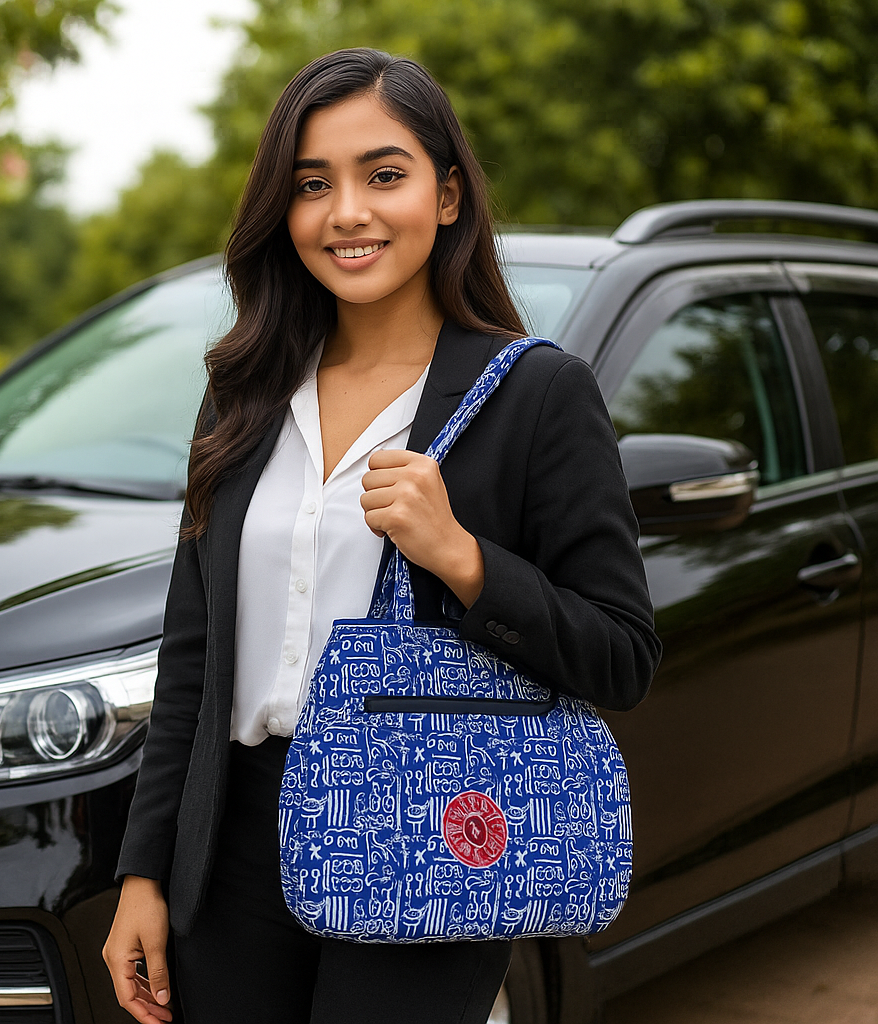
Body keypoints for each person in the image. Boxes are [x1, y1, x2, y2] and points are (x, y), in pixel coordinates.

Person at [103, 47, 660, 1024]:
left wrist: (465, 559)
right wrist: (145, 870)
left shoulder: (535, 395)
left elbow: (620, 655)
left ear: (446, 197)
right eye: (312, 184)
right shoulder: (244, 392)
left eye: (384, 175)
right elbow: (191, 657)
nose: (346, 212)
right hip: (232, 838)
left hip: (426, 821)